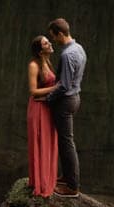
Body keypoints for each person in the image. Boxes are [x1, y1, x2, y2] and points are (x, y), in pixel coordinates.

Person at [45, 17, 86, 197]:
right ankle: (67, 176)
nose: (53, 40)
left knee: (67, 143)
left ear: (60, 33)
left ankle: (72, 187)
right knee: (65, 142)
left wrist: (48, 98)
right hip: (75, 98)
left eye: (54, 36)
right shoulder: (79, 48)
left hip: (66, 102)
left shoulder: (67, 54)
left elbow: (64, 85)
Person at [26, 35, 58, 196]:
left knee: (49, 142)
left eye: (48, 41)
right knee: (40, 142)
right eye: (46, 43)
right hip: (38, 109)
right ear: (40, 51)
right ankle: (40, 183)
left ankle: (47, 179)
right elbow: (33, 91)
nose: (50, 44)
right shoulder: (34, 65)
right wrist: (56, 88)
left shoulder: (47, 62)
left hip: (47, 107)